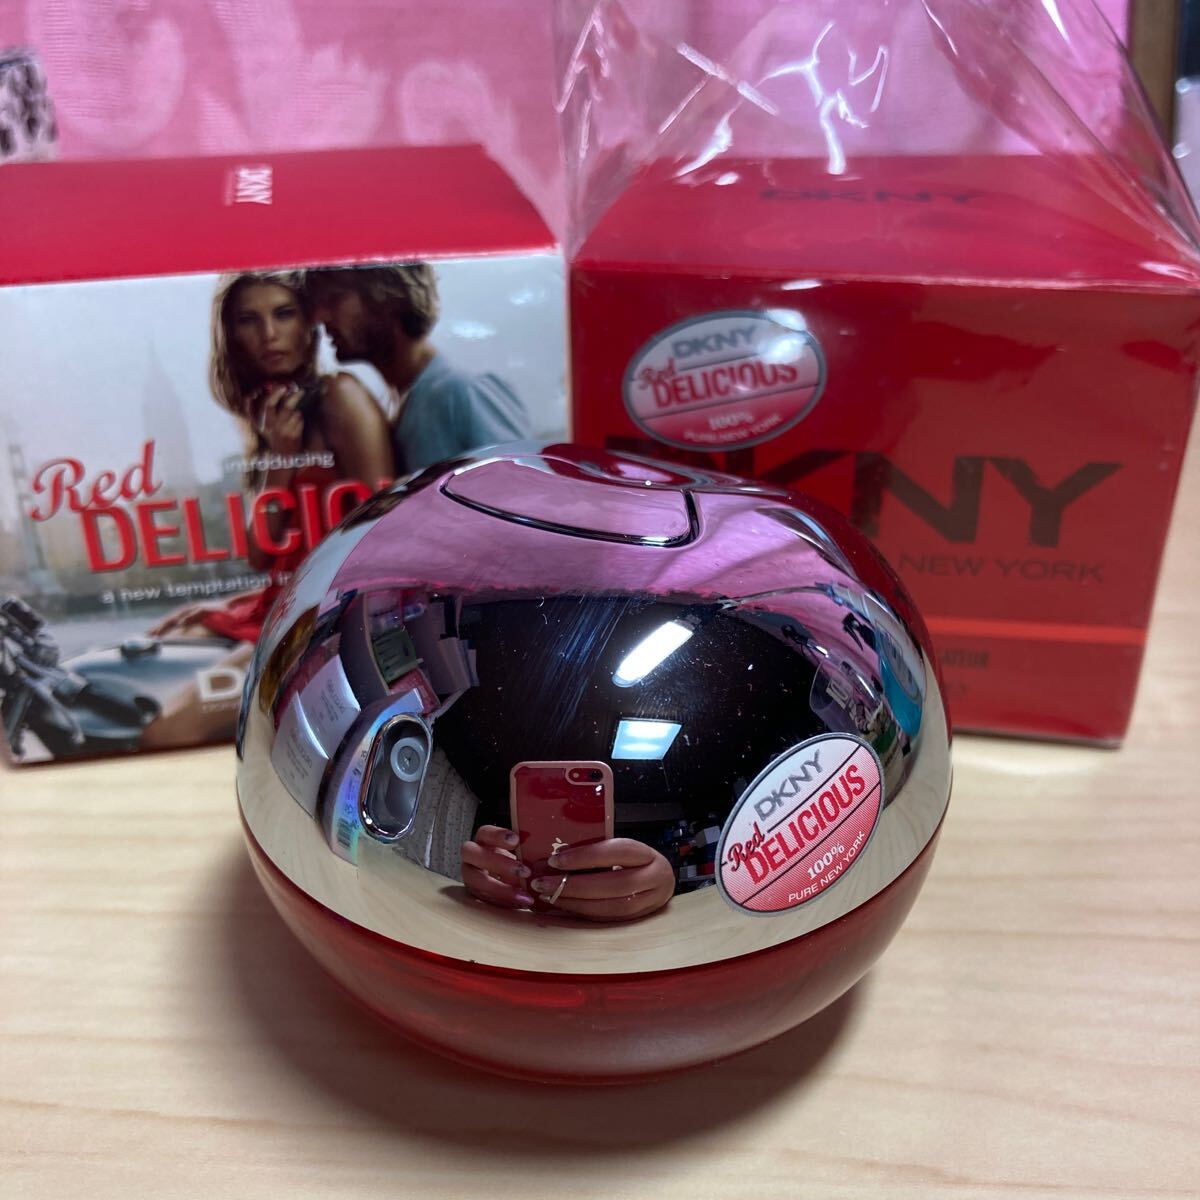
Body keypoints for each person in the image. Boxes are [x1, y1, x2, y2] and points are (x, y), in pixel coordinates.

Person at [151, 271, 395, 643]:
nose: (269, 334)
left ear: (308, 324)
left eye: (283, 314)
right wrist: (281, 458)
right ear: (232, 335)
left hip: (336, 613)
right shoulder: (273, 413)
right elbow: (259, 555)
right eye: (249, 320)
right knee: (160, 643)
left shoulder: (341, 396)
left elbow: (384, 531)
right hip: (287, 603)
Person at [305, 264, 530, 473]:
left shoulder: (461, 390)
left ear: (386, 296)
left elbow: (522, 489)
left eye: (335, 299)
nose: (320, 317)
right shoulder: (408, 402)